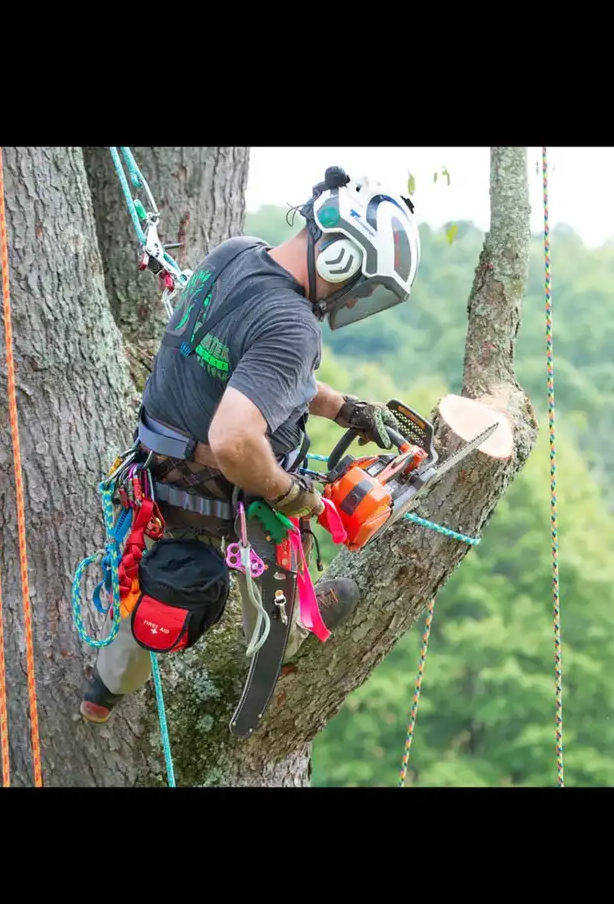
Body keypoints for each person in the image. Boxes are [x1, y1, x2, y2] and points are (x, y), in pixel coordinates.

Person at [81, 165, 421, 722]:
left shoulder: (236, 255)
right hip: (234, 494)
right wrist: (291, 494)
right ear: (341, 258)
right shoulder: (293, 325)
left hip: (158, 473)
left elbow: (255, 372)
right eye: (360, 285)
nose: (353, 298)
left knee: (156, 591)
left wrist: (341, 407)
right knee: (274, 579)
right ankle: (280, 642)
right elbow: (238, 440)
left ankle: (105, 693)